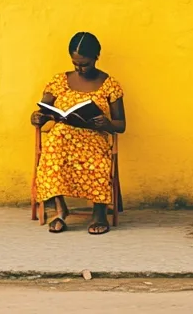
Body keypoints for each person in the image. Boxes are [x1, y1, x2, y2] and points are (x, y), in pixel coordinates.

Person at [31, 31, 126, 234]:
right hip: (63, 136)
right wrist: (38, 117)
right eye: (76, 64)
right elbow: (43, 110)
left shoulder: (109, 84)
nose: (80, 69)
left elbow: (121, 124)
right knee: (53, 151)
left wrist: (107, 123)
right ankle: (60, 211)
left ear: (96, 57)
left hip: (93, 138)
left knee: (97, 160)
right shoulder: (59, 81)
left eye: (85, 64)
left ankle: (99, 213)